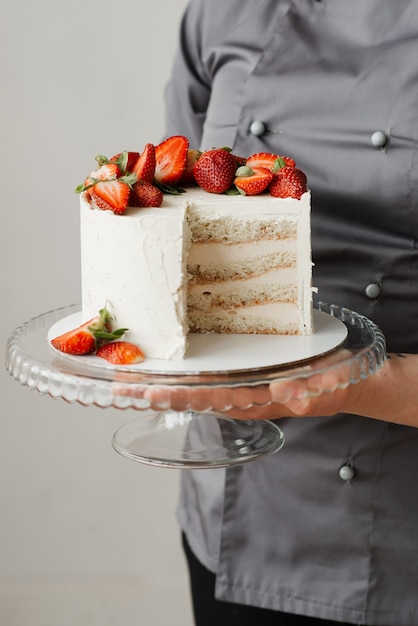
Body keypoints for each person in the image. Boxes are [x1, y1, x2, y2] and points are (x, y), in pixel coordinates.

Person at [159, 1, 418, 624]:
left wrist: (356, 384)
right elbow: (173, 226)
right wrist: (162, 354)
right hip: (234, 511)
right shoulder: (223, 14)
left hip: (402, 536)